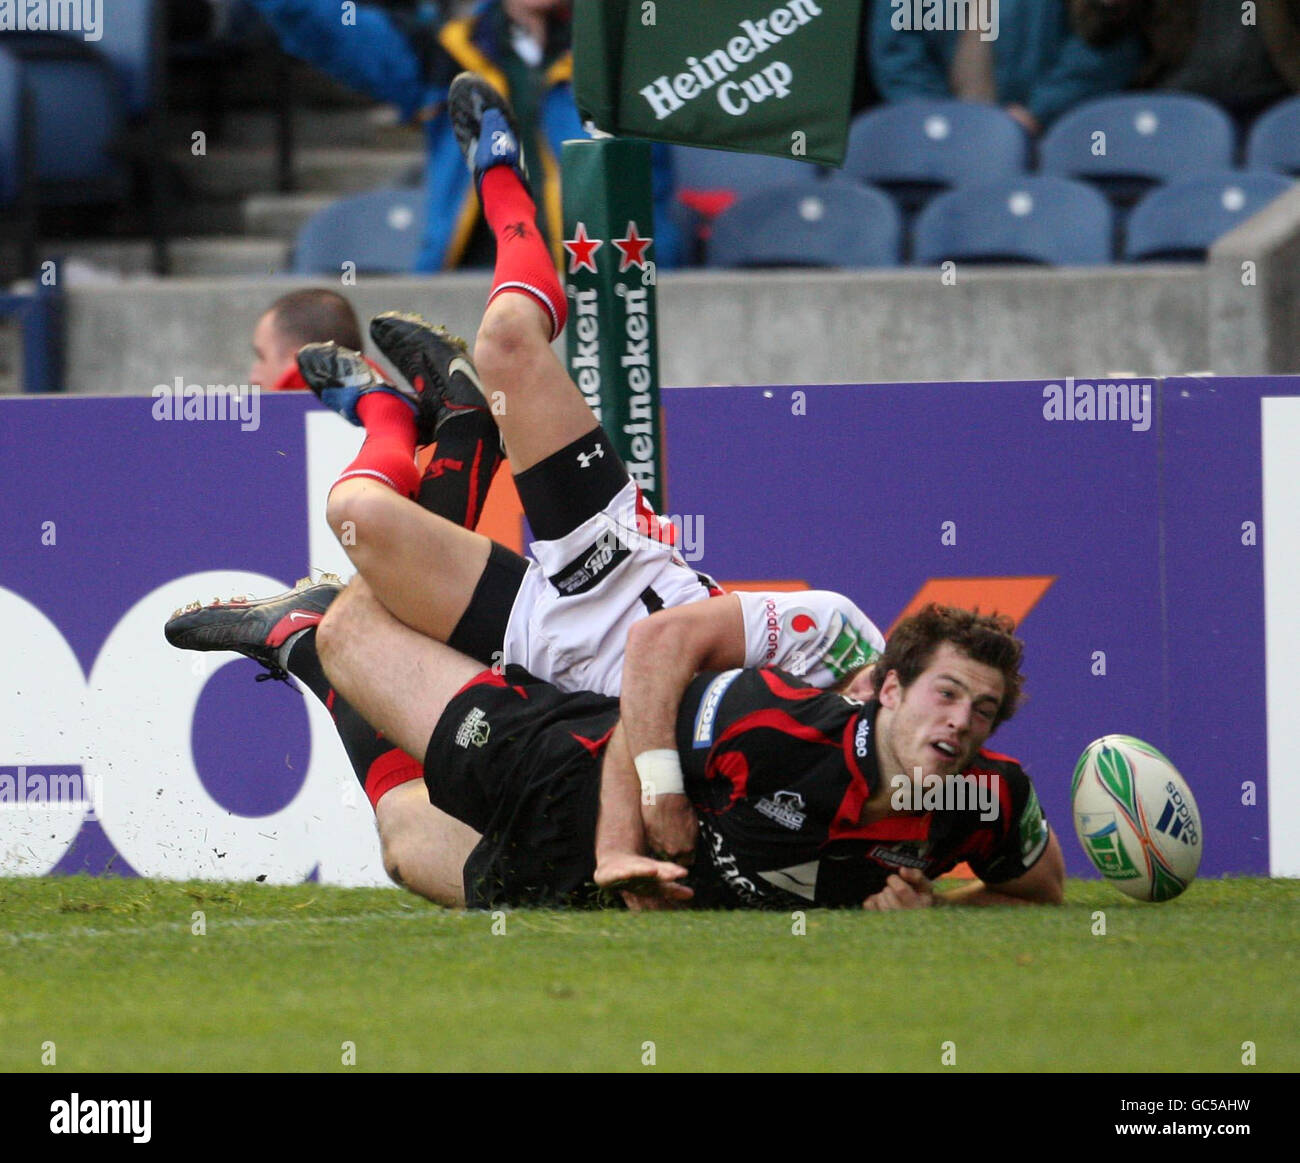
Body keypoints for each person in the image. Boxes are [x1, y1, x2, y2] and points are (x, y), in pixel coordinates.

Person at [167, 73, 884, 899]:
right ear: (892, 679)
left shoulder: (848, 808)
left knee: (359, 529)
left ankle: (396, 431)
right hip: (622, 576)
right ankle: (502, 181)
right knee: (508, 340)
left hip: (546, 676)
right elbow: (671, 646)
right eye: (892, 696)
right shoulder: (840, 643)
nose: (878, 714)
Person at [244, 0, 685, 270]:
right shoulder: (446, 52)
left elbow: (649, 197)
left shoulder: (619, 58)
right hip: (473, 286)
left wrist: (645, 281)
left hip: (593, 293)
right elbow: (323, 26)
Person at [870, 0, 1143, 135]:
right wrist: (938, 120)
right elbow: (896, 46)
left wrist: (1037, 112)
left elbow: (1106, 39)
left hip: (1050, 135)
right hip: (933, 140)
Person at [249, 287, 367, 392]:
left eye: (262, 357)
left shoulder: (269, 414)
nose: (253, 378)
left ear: (299, 362)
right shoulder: (381, 408)